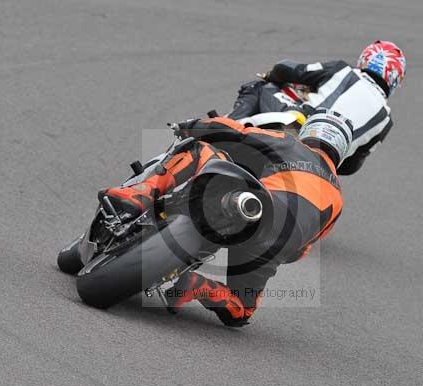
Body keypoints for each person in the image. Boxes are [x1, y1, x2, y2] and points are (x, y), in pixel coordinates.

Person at [99, 111, 350, 327]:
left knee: (198, 150)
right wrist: (271, 255)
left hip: (258, 206)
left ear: (310, 130)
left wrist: (191, 126)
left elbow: (238, 133)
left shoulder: (291, 144)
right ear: (342, 149)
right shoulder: (337, 199)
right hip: (274, 246)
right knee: (240, 309)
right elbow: (303, 249)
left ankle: (138, 195)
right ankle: (198, 285)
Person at [229, 40, 406, 176]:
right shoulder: (385, 121)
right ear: (395, 79)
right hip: (322, 165)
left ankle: (226, 127)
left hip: (298, 127)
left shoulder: (342, 70)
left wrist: (272, 75)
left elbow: (288, 69)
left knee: (259, 87)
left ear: (365, 59)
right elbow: (351, 166)